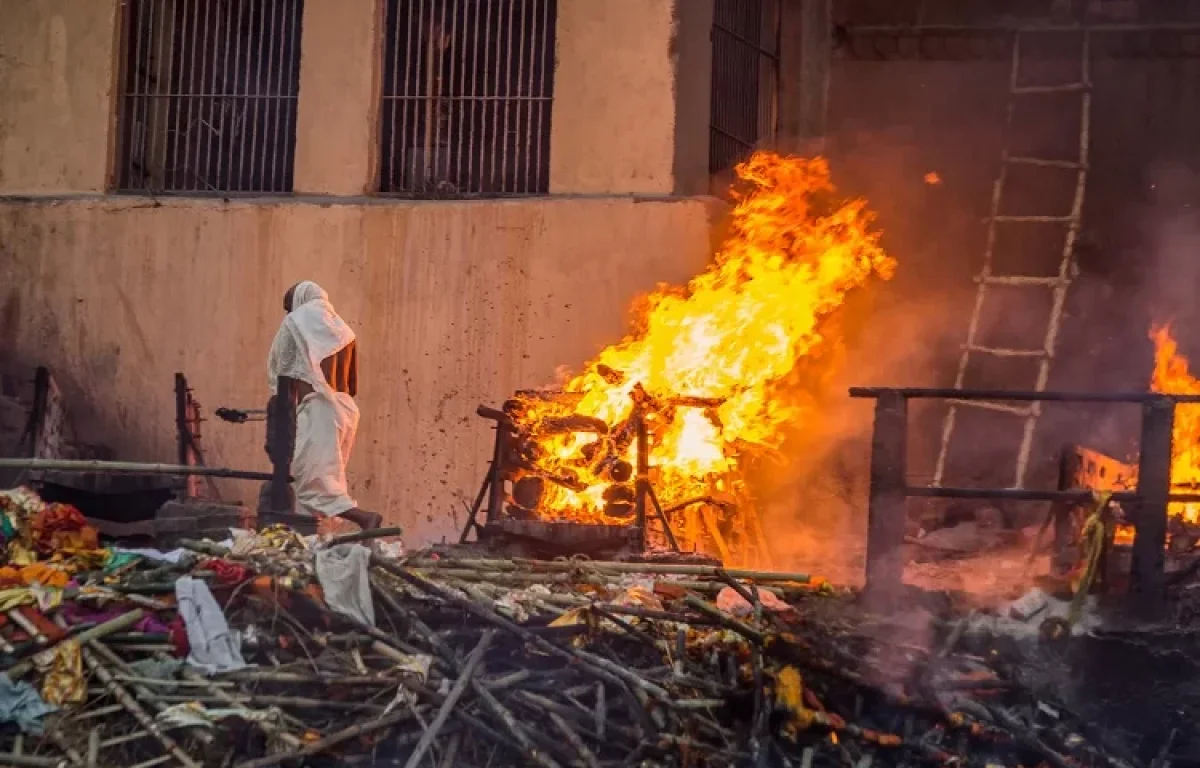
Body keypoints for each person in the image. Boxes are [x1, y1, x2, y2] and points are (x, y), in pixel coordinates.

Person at [266, 281, 382, 530]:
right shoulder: (344, 331)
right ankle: (313, 540)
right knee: (323, 479)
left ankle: (365, 518)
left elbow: (284, 378)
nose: (288, 314)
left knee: (310, 483)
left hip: (319, 410)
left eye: (289, 307)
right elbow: (351, 383)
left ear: (299, 301)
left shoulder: (295, 323)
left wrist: (280, 423)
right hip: (345, 411)